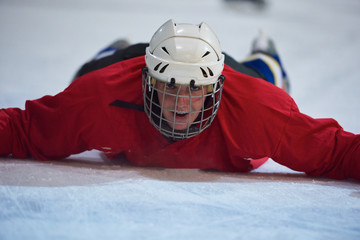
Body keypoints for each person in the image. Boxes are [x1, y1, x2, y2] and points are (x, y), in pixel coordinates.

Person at [0, 19, 359, 180]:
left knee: (272, 82)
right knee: (84, 76)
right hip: (122, 68)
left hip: (243, 80)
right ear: (148, 79)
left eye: (196, 88)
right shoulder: (100, 97)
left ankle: (266, 57)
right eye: (170, 86)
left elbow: (335, 151)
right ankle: (117, 51)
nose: (182, 103)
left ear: (215, 86)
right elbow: (22, 128)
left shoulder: (259, 110)